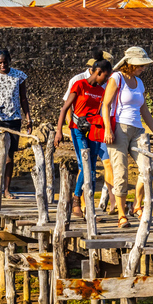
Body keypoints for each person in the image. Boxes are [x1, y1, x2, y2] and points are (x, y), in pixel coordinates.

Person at [101, 47, 153, 228]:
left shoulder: (139, 82)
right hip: (119, 128)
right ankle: (122, 214)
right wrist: (108, 129)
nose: (143, 68)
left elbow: (144, 109)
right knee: (120, 172)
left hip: (138, 130)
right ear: (129, 63)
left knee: (148, 168)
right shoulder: (117, 78)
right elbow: (105, 105)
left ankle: (137, 205)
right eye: (140, 65)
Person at [55, 51, 114, 217]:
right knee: (84, 165)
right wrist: (59, 131)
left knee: (93, 168)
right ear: (98, 72)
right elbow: (65, 108)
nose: (107, 80)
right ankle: (76, 200)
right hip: (77, 130)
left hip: (93, 130)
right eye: (106, 76)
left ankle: (89, 206)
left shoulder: (102, 91)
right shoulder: (79, 85)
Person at [0, 48, 32, 199]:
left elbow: (23, 98)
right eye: (0, 63)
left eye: (5, 62)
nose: (2, 65)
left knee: (10, 155)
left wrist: (28, 118)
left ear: (10, 60)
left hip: (14, 118)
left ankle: (6, 189)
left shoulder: (19, 76)